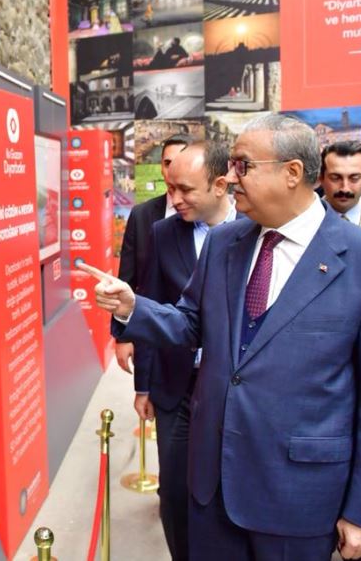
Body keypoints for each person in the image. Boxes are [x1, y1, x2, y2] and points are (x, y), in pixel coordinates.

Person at [83, 115, 361, 561]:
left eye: (243, 165)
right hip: (212, 484)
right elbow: (191, 324)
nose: (231, 177)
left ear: (292, 172)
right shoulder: (225, 244)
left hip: (297, 496)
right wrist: (131, 307)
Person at [124, 141, 239, 561]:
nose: (174, 200)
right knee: (174, 490)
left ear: (220, 185)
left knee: (225, 488)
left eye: (185, 190)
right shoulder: (163, 232)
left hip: (229, 386)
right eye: (170, 188)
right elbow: (153, 308)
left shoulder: (252, 235)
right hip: (176, 386)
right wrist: (144, 387)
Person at [116, 134, 192, 372]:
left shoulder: (213, 219)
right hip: (154, 336)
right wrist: (123, 336)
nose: (173, 170)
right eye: (168, 163)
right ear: (160, 167)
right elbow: (127, 279)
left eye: (180, 162)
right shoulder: (142, 215)